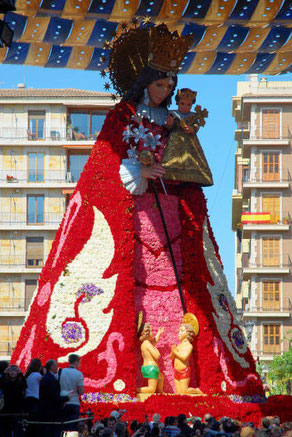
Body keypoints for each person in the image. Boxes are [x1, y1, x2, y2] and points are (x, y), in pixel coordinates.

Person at [12, 22, 263, 399]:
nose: (165, 92)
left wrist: (183, 165)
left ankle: (189, 374)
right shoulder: (122, 117)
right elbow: (104, 169)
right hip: (135, 216)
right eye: (160, 84)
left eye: (170, 85)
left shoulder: (176, 122)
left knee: (184, 290)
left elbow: (191, 164)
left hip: (174, 218)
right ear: (144, 81)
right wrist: (140, 172)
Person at [162, 88, 213, 186]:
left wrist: (192, 129)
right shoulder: (172, 114)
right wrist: (170, 124)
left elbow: (196, 126)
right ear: (177, 103)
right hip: (175, 141)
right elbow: (168, 127)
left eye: (188, 105)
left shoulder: (194, 116)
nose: (185, 107)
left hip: (190, 143)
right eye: (182, 104)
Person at [170, 323, 202, 395]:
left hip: (184, 371)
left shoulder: (189, 345)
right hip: (176, 371)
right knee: (179, 393)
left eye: (181, 331)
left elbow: (184, 357)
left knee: (184, 392)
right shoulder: (179, 345)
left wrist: (175, 351)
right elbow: (171, 357)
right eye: (179, 331)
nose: (179, 333)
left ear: (187, 333)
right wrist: (173, 351)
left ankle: (196, 390)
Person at [39, 359, 68, 437]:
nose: (58, 366)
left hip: (48, 410)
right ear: (52, 367)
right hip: (51, 411)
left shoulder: (48, 378)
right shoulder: (49, 379)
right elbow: (53, 396)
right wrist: (65, 398)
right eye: (56, 365)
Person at [0, 364, 27, 437]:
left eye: (14, 371)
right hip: (6, 409)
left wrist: (20, 373)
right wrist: (4, 373)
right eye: (10, 371)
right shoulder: (5, 382)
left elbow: (24, 385)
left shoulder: (20, 382)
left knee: (17, 430)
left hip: (17, 409)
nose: (12, 372)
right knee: (6, 431)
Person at [59, 353, 84, 431]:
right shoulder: (79, 374)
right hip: (74, 403)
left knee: (63, 426)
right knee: (72, 427)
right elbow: (81, 391)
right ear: (76, 362)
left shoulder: (61, 372)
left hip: (63, 402)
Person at [138, 322, 164, 393]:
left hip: (147, 367)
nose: (152, 333)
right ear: (147, 333)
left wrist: (159, 333)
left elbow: (155, 341)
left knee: (161, 377)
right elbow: (157, 355)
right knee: (151, 389)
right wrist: (156, 349)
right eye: (151, 331)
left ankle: (161, 391)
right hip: (151, 368)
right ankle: (135, 390)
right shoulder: (147, 343)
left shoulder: (145, 343)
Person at [24, 358, 43, 437]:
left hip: (27, 399)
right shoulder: (37, 375)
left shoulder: (28, 375)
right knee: (35, 422)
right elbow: (43, 382)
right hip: (35, 399)